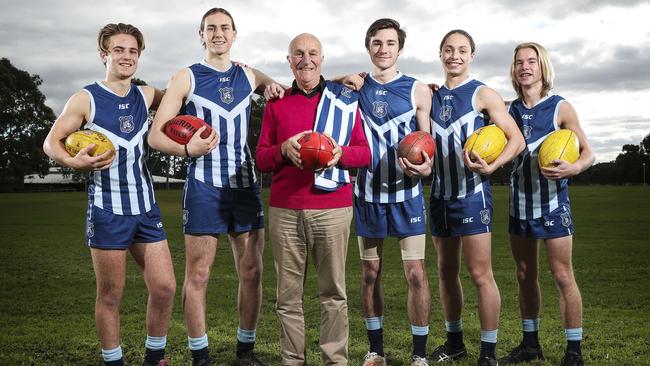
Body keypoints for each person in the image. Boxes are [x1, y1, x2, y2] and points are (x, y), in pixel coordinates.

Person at [147, 7, 284, 366]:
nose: (218, 33)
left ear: (235, 34)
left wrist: (270, 84)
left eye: (225, 28)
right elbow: (154, 136)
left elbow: (280, 88)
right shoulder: (185, 78)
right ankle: (200, 355)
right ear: (201, 35)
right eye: (211, 28)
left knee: (252, 271)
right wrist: (186, 148)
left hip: (244, 185)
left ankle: (245, 349)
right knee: (199, 274)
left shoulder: (248, 74)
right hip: (205, 185)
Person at [42, 23, 175, 366]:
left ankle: (154, 358)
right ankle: (114, 361)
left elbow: (179, 97)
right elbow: (50, 142)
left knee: (164, 287)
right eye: (119, 50)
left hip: (146, 207)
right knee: (111, 295)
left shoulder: (146, 95)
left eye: (133, 51)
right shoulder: (85, 98)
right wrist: (74, 162)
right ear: (104, 54)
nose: (126, 56)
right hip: (108, 209)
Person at [255, 33, 370, 366]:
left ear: (323, 58)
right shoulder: (276, 102)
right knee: (288, 298)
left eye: (312, 53)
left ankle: (335, 361)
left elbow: (364, 153)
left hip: (332, 208)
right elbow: (261, 158)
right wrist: (282, 149)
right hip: (285, 209)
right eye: (298, 54)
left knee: (334, 294)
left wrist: (340, 153)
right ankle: (294, 361)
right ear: (289, 60)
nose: (306, 59)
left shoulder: (344, 100)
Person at [427, 30, 525, 366]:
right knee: (445, 271)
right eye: (449, 50)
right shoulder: (429, 94)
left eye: (462, 50)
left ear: (472, 55)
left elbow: (516, 140)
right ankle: (454, 343)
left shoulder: (483, 94)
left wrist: (493, 165)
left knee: (480, 274)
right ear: (441, 54)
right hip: (439, 196)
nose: (455, 55)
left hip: (471, 195)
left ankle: (488, 352)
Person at [340, 18, 433, 366]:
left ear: (400, 48)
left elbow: (428, 145)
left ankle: (419, 354)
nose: (383, 49)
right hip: (366, 195)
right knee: (369, 273)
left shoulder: (417, 89)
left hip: (406, 196)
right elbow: (320, 86)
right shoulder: (354, 87)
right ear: (368, 47)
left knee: (416, 273)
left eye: (390, 43)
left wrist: (426, 168)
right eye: (377, 43)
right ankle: (376, 350)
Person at [499, 42, 594, 366]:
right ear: (514, 69)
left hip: (553, 204)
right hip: (519, 204)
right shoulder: (507, 109)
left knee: (562, 275)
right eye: (519, 62)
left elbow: (588, 152)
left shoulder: (560, 107)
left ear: (542, 67)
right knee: (524, 273)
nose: (525, 67)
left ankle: (574, 351)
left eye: (531, 61)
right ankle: (530, 344)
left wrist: (575, 167)